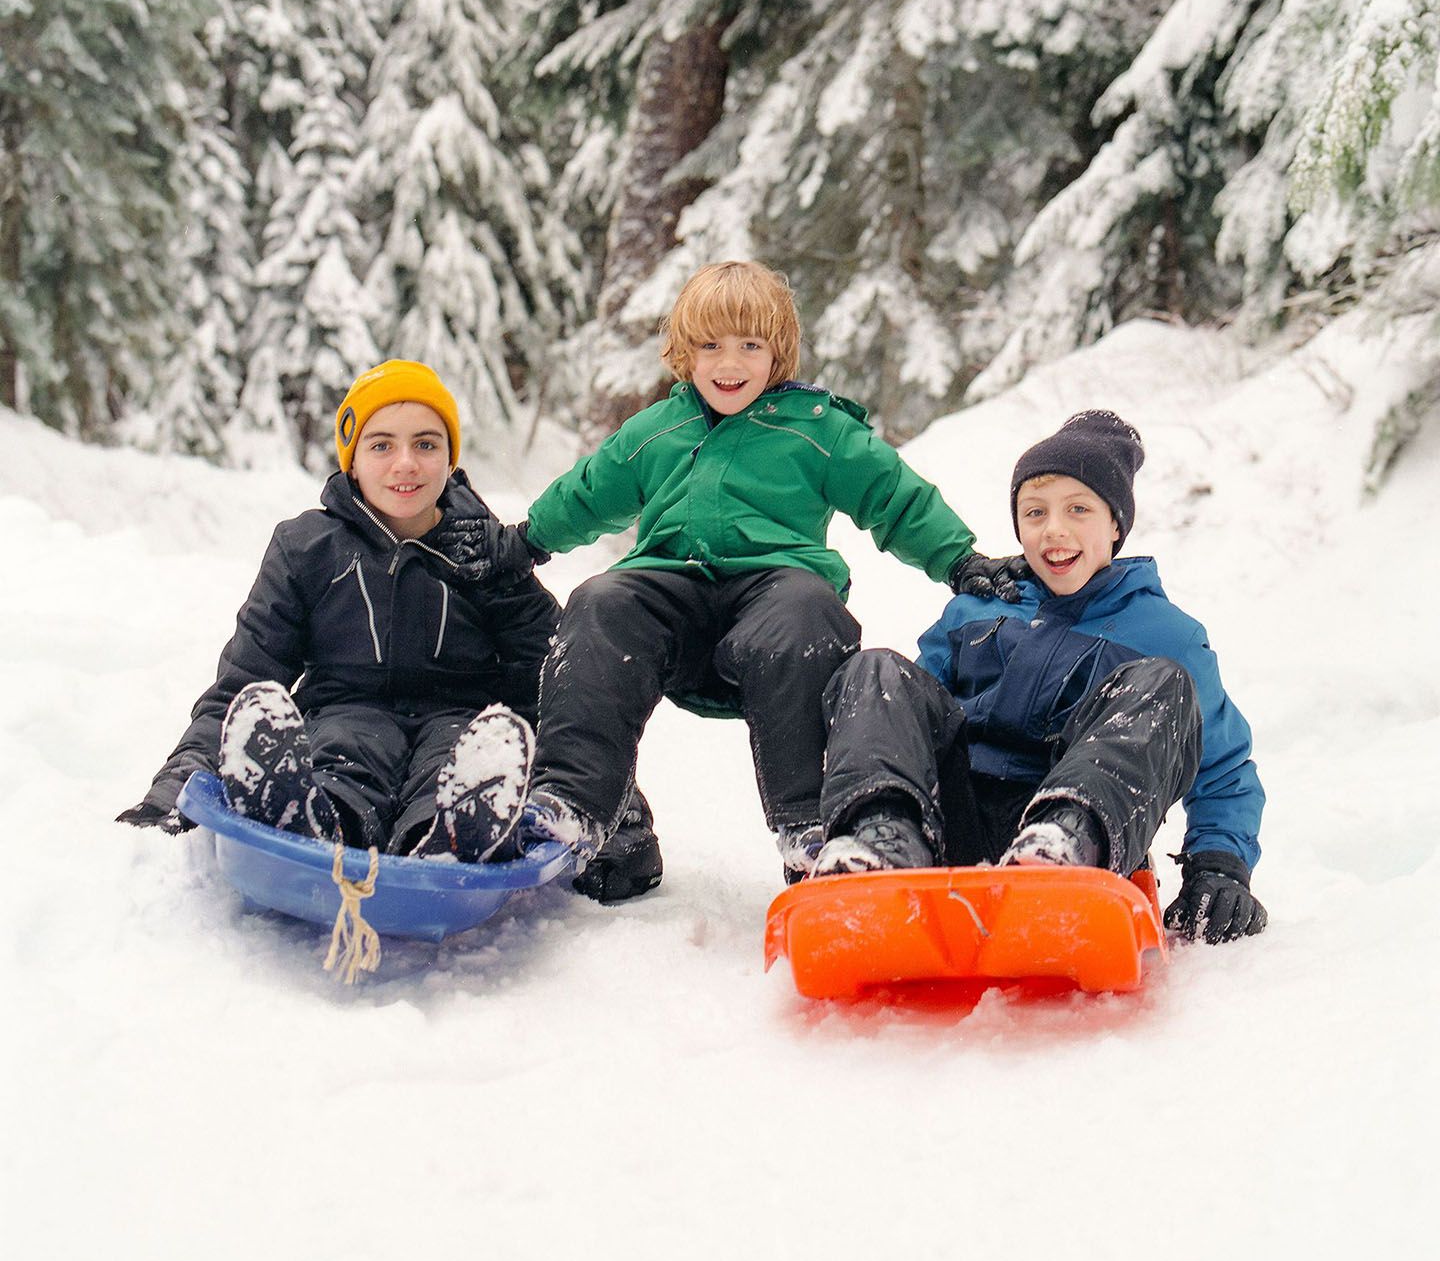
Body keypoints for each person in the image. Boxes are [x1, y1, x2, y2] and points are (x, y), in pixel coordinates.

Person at [476, 261, 1021, 891]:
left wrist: (958, 559)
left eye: (749, 346)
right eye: (710, 345)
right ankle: (569, 802)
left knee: (805, 610)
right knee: (600, 601)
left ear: (777, 352)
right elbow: (591, 490)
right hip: (668, 591)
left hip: (774, 590)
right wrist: (527, 540)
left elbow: (893, 495)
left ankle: (807, 825)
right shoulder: (660, 429)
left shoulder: (818, 428)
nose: (727, 363)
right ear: (685, 352)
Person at [812, 409, 1268, 944]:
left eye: (1079, 510)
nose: (1054, 529)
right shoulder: (977, 609)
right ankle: (882, 842)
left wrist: (1219, 867)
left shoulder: (1166, 634)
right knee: (878, 670)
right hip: (954, 822)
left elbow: (1221, 766)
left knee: (1162, 684)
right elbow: (909, 720)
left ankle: (1061, 845)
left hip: (1087, 825)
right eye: (1035, 513)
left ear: (1116, 524)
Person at [116, 360, 562, 862]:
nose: (406, 463)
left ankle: (454, 835)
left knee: (457, 763)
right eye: (381, 445)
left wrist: (601, 811)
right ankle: (307, 818)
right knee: (341, 755)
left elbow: (553, 685)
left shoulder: (485, 550)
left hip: (457, 718)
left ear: (450, 456)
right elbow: (244, 680)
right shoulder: (307, 547)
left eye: (426, 444)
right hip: (342, 713)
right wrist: (178, 785)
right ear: (352, 459)